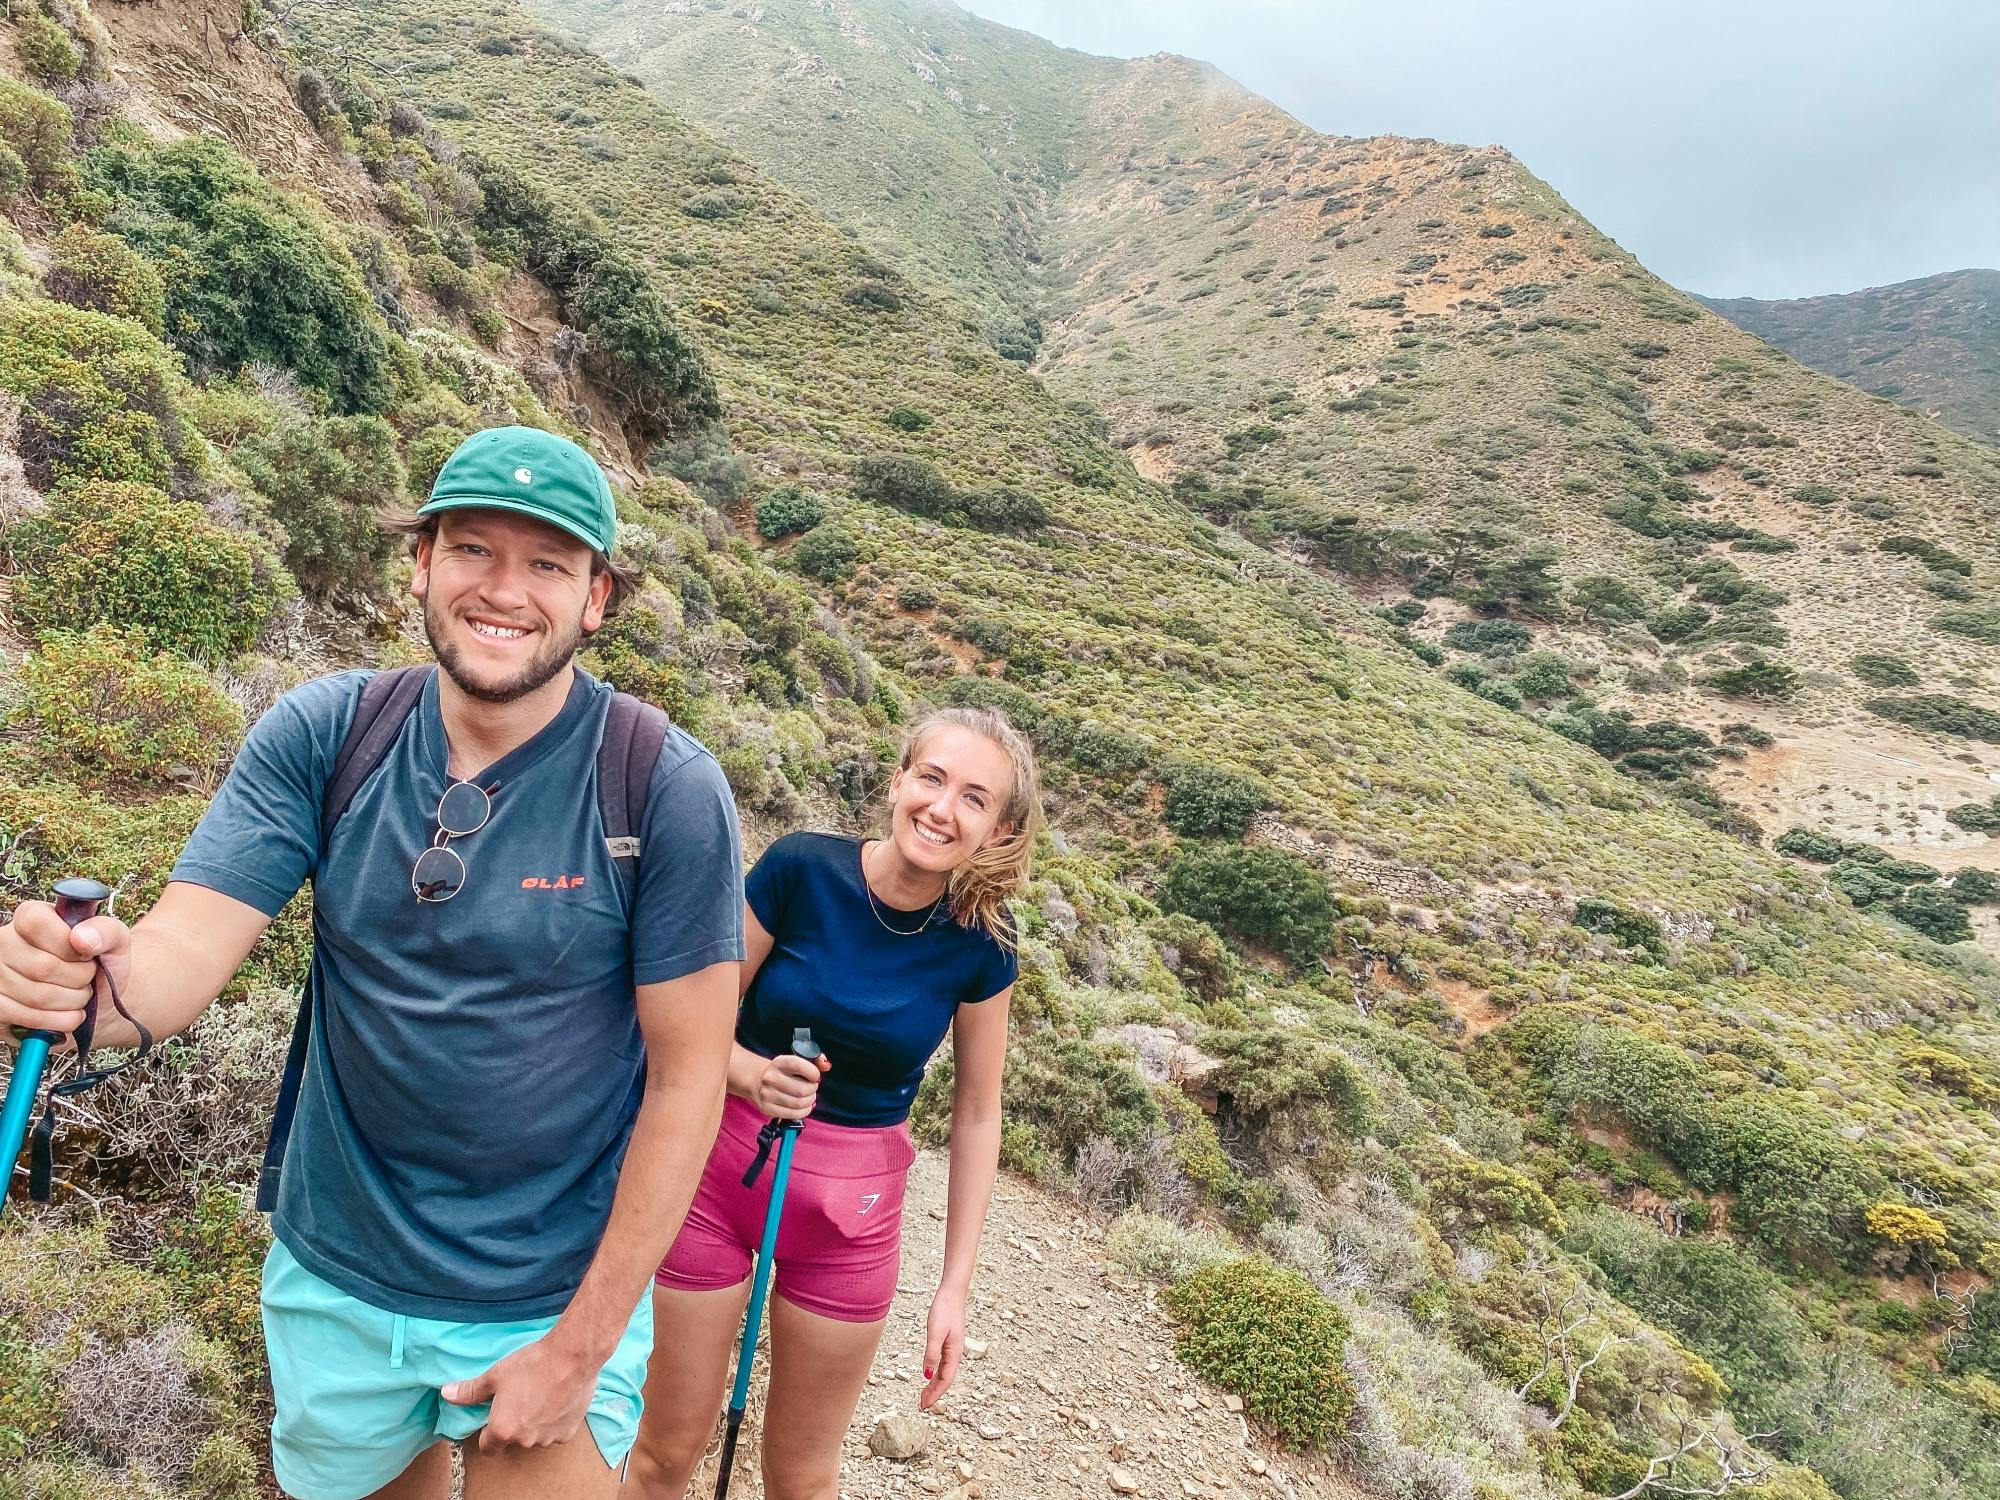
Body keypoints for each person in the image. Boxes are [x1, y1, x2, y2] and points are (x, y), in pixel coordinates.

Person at [0, 427, 745, 1500]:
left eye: (546, 563)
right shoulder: (327, 734)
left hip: (545, 1291)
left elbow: (687, 1080)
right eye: (471, 550)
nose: (503, 590)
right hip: (336, 1277)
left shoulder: (660, 786)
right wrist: (75, 984)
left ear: (596, 598)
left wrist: (581, 1345)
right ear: (420, 566)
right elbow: (172, 961)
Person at [627, 705, 1044, 1500]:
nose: (942, 808)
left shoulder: (985, 945)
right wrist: (752, 1074)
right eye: (932, 778)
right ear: (897, 781)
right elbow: (688, 1027)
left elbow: (977, 1114)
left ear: (997, 830)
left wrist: (953, 1286)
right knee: (665, 1453)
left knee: (802, 1475)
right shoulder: (798, 871)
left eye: (974, 798)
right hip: (713, 1171)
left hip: (854, 1215)